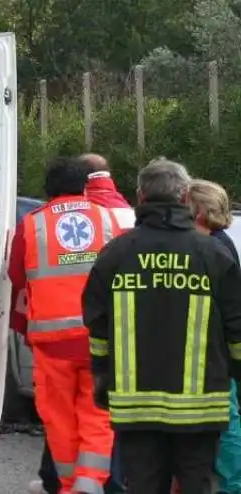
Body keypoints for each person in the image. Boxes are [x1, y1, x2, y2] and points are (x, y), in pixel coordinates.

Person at [83, 159, 241, 494]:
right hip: (201, 408)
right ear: (185, 197)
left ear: (140, 197)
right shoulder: (213, 254)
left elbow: (97, 326)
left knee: (143, 484)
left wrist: (100, 376)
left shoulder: (116, 254)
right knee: (196, 484)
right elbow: (237, 328)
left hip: (135, 405)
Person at [9, 156, 118, 494]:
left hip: (52, 341)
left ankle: (69, 484)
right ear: (85, 186)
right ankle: (90, 481)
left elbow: (15, 275)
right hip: (99, 336)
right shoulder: (107, 218)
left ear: (47, 190)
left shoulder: (32, 224)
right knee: (98, 411)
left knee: (58, 418)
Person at [188, 179, 241, 494]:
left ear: (200, 211)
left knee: (226, 423)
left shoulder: (215, 248)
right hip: (215, 351)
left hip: (214, 352)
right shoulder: (221, 243)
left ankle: (235, 484)